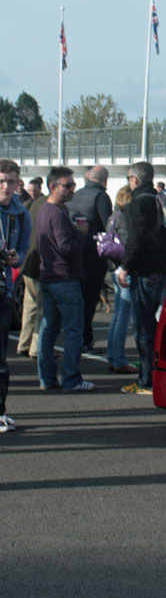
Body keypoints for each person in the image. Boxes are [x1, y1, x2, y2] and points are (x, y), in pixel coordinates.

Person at [35, 167, 94, 392]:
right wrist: (80, 232)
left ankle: (47, 378)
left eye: (73, 185)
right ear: (53, 187)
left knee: (49, 329)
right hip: (64, 278)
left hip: (50, 277)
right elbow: (66, 247)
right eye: (68, 186)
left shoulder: (47, 209)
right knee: (72, 331)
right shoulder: (56, 213)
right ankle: (72, 379)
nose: (72, 189)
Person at [118, 161, 166, 394]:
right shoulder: (161, 200)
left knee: (143, 328)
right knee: (159, 324)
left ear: (135, 180)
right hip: (164, 267)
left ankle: (146, 379)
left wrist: (125, 266)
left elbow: (135, 240)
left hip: (145, 270)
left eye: (130, 177)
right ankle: (157, 374)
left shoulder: (137, 204)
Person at [0, 159, 31, 430]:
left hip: (3, 291)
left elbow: (23, 249)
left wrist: (15, 257)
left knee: (1, 359)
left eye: (10, 181)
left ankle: (0, 411)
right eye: (1, 180)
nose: (5, 186)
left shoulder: (21, 214)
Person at [69, 165, 112, 352]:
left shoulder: (77, 195)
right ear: (105, 180)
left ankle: (78, 337)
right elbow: (109, 225)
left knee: (79, 298)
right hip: (95, 254)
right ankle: (86, 339)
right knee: (90, 298)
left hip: (76, 251)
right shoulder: (101, 197)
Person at [105, 185, 138, 375]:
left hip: (113, 267)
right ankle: (118, 359)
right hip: (123, 269)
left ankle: (113, 357)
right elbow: (128, 244)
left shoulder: (113, 216)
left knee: (118, 315)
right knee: (123, 316)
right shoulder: (125, 218)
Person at [16, 186, 47, 358]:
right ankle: (36, 348)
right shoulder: (51, 206)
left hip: (28, 261)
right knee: (42, 309)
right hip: (39, 264)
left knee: (29, 307)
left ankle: (23, 343)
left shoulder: (34, 204)